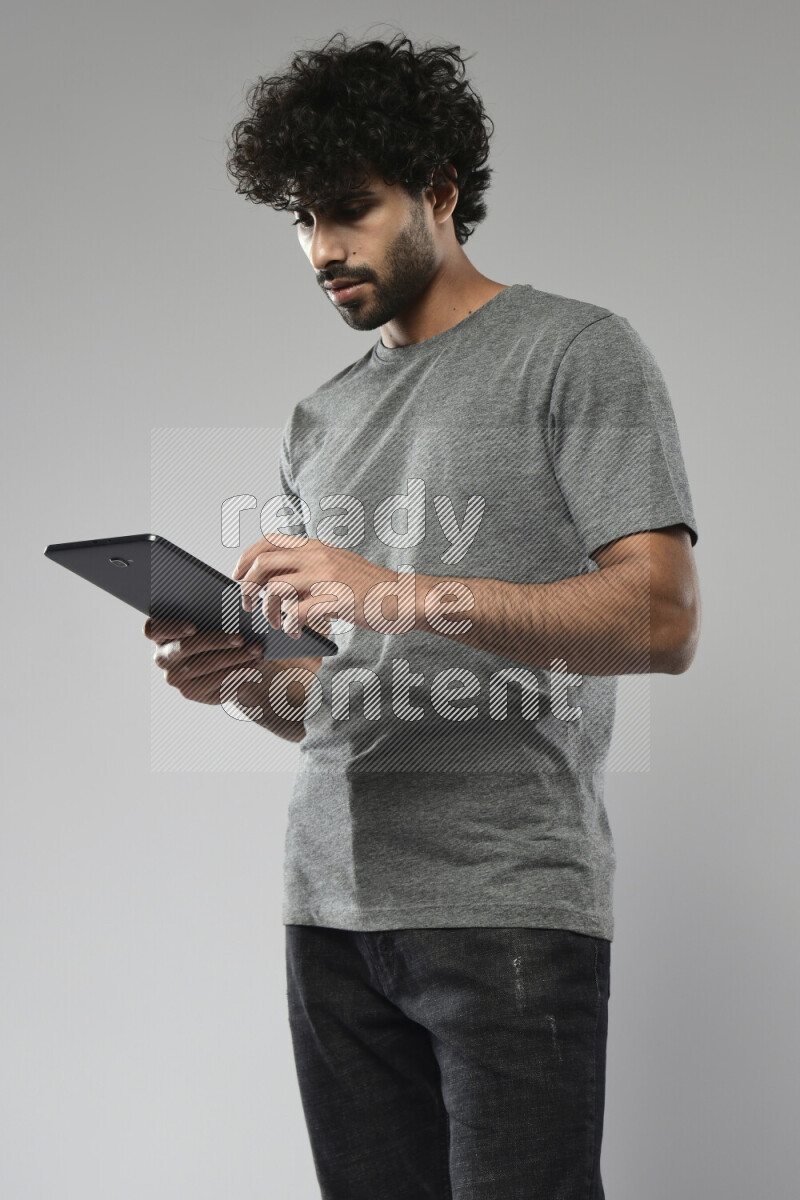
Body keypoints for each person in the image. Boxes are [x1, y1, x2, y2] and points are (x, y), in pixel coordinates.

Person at [145, 31, 701, 1199]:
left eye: (349, 209)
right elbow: (331, 699)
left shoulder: (573, 354)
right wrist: (246, 680)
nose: (320, 249)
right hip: (329, 913)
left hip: (504, 908)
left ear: (440, 193)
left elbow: (660, 621)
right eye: (301, 218)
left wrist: (391, 590)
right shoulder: (318, 418)